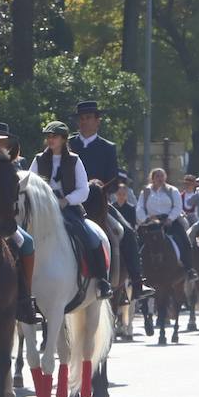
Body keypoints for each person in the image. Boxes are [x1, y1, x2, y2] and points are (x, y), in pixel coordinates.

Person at [70, 100, 152, 300]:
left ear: (98, 121)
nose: (84, 122)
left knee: (128, 232)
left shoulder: (107, 147)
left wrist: (99, 185)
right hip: (72, 202)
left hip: (98, 204)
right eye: (81, 119)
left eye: (89, 118)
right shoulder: (69, 144)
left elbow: (114, 182)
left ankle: (136, 281)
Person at [33, 120, 111, 300]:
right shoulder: (38, 160)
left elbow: (83, 190)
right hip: (42, 211)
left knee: (91, 237)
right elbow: (30, 184)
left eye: (55, 137)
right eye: (48, 137)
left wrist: (66, 200)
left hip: (67, 209)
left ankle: (101, 281)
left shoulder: (75, 160)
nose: (50, 140)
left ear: (63, 139)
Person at [136, 167, 194, 275]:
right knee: (137, 243)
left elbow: (177, 207)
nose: (160, 178)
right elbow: (139, 208)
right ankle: (137, 274)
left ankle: (189, 269)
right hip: (150, 223)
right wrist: (146, 219)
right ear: (152, 178)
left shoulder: (173, 190)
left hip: (169, 221)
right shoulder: (146, 191)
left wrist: (170, 219)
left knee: (185, 241)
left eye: (162, 176)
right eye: (157, 176)